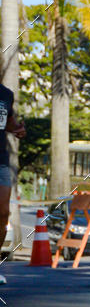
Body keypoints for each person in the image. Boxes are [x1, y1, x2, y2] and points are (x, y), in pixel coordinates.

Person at [0, 84, 26, 284]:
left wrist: (17, 129)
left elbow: (7, 123)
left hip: (1, 160)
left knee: (3, 213)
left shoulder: (6, 94)